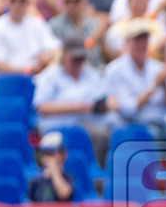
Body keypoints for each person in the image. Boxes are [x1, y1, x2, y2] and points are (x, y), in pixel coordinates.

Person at [33, 36, 116, 165]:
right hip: (60, 125)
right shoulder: (50, 76)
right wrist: (79, 107)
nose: (79, 62)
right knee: (96, 136)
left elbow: (109, 99)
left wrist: (104, 105)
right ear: (64, 55)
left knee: (114, 132)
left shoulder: (91, 74)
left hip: (90, 123)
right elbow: (41, 107)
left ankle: (97, 175)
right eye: (75, 58)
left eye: (81, 58)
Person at [102, 18, 166, 140]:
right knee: (154, 135)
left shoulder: (158, 68)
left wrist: (164, 86)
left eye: (144, 39)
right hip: (133, 126)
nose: (142, 44)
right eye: (137, 39)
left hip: (162, 123)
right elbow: (129, 108)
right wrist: (154, 86)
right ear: (127, 42)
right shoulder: (114, 70)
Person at [0, 0, 62, 76]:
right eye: (13, 0)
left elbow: (55, 48)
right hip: (10, 80)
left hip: (39, 76)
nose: (18, 4)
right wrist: (28, 70)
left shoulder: (38, 24)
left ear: (28, 3)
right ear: (6, 2)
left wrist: (47, 56)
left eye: (22, 0)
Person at [28, 131, 75, 203]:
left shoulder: (67, 177)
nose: (46, 158)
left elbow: (64, 194)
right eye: (44, 154)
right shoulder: (37, 181)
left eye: (50, 154)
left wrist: (54, 171)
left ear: (63, 155)